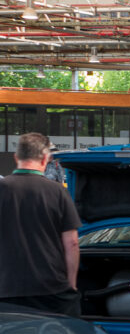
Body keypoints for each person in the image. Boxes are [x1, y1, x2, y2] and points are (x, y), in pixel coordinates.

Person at [0, 133, 81, 316]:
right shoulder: (57, 192)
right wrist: (71, 285)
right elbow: (72, 243)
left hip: (5, 289)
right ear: (45, 158)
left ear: (16, 158)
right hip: (50, 290)